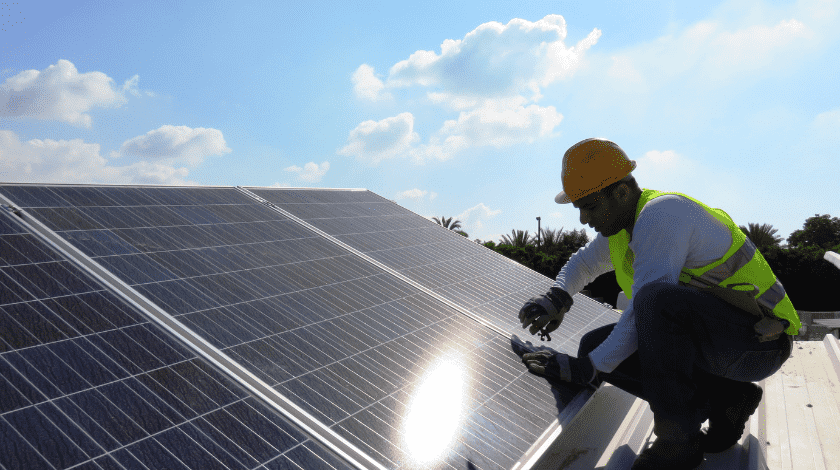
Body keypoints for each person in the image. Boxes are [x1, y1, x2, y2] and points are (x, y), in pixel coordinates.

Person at [517, 138, 800, 470]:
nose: (582, 218)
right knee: (594, 344)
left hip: (761, 344)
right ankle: (727, 399)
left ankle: (678, 444)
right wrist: (557, 297)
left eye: (590, 206)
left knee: (654, 304)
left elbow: (646, 306)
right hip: (726, 342)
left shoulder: (663, 214)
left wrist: (588, 368)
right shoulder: (623, 227)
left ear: (621, 193)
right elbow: (584, 263)